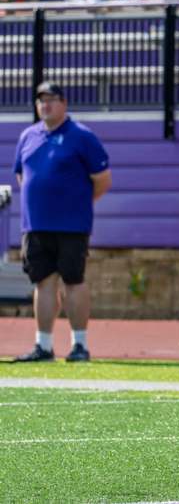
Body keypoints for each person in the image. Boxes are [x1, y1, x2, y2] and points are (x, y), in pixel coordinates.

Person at [12, 82, 112, 363]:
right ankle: (43, 346)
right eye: (41, 100)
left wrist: (75, 204)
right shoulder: (27, 136)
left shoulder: (82, 136)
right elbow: (22, 176)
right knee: (42, 282)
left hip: (72, 225)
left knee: (73, 281)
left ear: (64, 103)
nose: (46, 104)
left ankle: (79, 345)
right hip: (35, 225)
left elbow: (102, 180)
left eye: (52, 99)